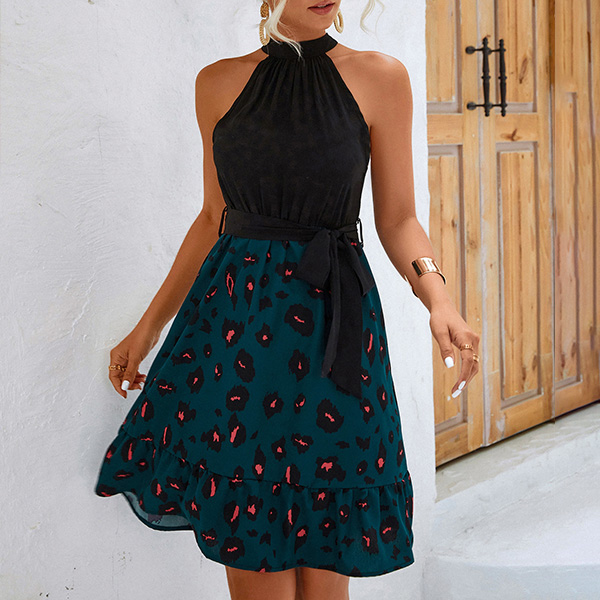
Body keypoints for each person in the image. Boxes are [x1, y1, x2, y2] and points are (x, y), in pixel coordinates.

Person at [94, 1, 480, 599]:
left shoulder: (380, 76)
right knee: (254, 551)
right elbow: (213, 217)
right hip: (238, 330)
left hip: (334, 331)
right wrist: (147, 329)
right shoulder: (217, 82)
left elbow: (399, 218)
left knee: (327, 550)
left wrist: (440, 300)